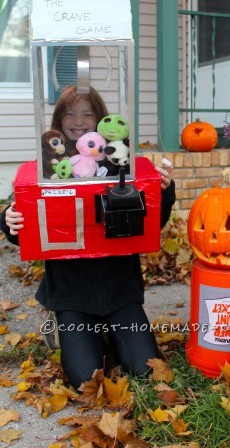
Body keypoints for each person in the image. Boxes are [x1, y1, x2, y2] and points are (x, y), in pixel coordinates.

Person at [0, 85, 176, 389]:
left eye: (87, 113)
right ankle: (71, 328)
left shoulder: (120, 162)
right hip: (72, 295)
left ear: (101, 119)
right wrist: (8, 220)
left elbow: (151, 223)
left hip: (120, 290)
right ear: (58, 119)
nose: (79, 121)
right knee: (84, 379)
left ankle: (109, 329)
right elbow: (30, 227)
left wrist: (164, 191)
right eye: (70, 113)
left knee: (144, 370)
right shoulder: (49, 166)